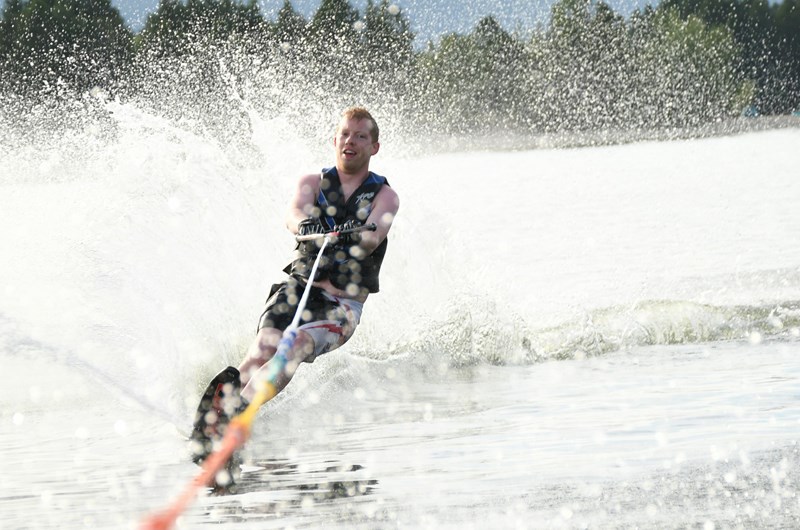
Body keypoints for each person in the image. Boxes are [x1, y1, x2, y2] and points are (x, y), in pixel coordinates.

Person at [190, 107, 400, 466]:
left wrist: (343, 239)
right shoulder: (311, 183)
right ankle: (218, 416)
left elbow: (372, 236)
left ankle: (238, 417)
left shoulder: (385, 196)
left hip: (341, 306)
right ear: (334, 140)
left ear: (374, 147)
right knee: (262, 349)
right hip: (298, 286)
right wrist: (307, 227)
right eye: (345, 134)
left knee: (296, 346)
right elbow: (294, 214)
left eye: (360, 136)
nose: (351, 141)